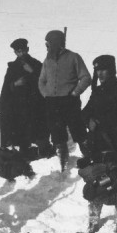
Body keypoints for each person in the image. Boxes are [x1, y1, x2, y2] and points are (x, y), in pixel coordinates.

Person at [80, 55, 117, 233]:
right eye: (98, 70)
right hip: (97, 146)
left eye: (104, 70)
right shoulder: (97, 91)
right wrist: (89, 120)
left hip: (115, 145)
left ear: (112, 70)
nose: (100, 73)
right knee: (97, 181)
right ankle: (93, 220)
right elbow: (85, 113)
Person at [38, 30, 92, 171]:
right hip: (52, 103)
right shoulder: (47, 60)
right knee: (57, 135)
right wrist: (46, 95)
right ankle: (63, 162)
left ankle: (91, 158)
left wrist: (75, 92)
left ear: (55, 43)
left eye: (48, 44)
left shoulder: (73, 57)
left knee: (78, 130)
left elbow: (86, 77)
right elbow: (41, 81)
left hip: (70, 101)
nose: (46, 47)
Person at [0, 38, 52, 159]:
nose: (22, 53)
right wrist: (15, 84)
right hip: (19, 108)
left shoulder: (37, 64)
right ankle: (24, 155)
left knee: (39, 133)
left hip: (35, 106)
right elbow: (6, 90)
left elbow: (46, 82)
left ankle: (43, 153)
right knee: (22, 136)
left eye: (23, 50)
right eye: (18, 51)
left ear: (27, 49)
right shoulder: (12, 68)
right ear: (15, 52)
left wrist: (32, 71)